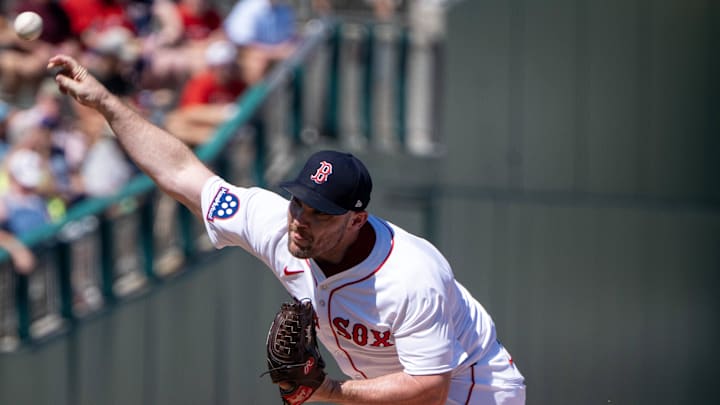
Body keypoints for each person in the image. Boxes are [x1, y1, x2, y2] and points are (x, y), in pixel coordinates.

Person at [46, 54, 526, 404]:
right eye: (300, 202)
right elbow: (181, 173)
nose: (301, 219)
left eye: (320, 212)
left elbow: (428, 387)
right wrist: (109, 105)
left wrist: (326, 391)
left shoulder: (410, 276)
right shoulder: (277, 222)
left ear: (356, 219)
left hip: (473, 391)